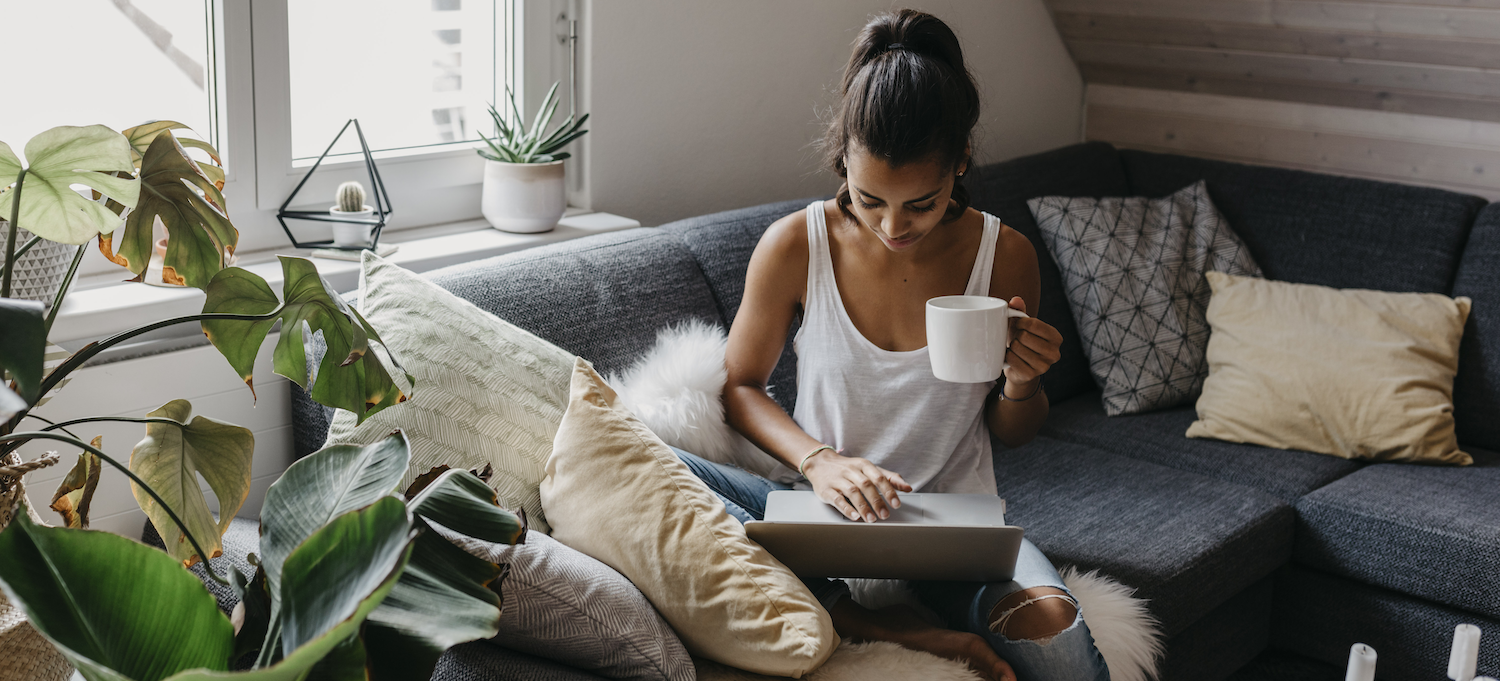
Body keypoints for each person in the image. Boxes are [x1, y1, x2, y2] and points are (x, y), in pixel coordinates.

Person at [670, 9, 1111, 681]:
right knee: (660, 464)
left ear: (960, 162)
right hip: (816, 512)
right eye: (870, 198)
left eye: (922, 204)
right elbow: (738, 386)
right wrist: (821, 461)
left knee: (1060, 645)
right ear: (842, 154)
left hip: (950, 527)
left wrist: (1024, 383)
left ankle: (866, 613)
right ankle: (877, 622)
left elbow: (1013, 429)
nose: (892, 226)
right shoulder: (795, 244)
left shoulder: (1005, 255)